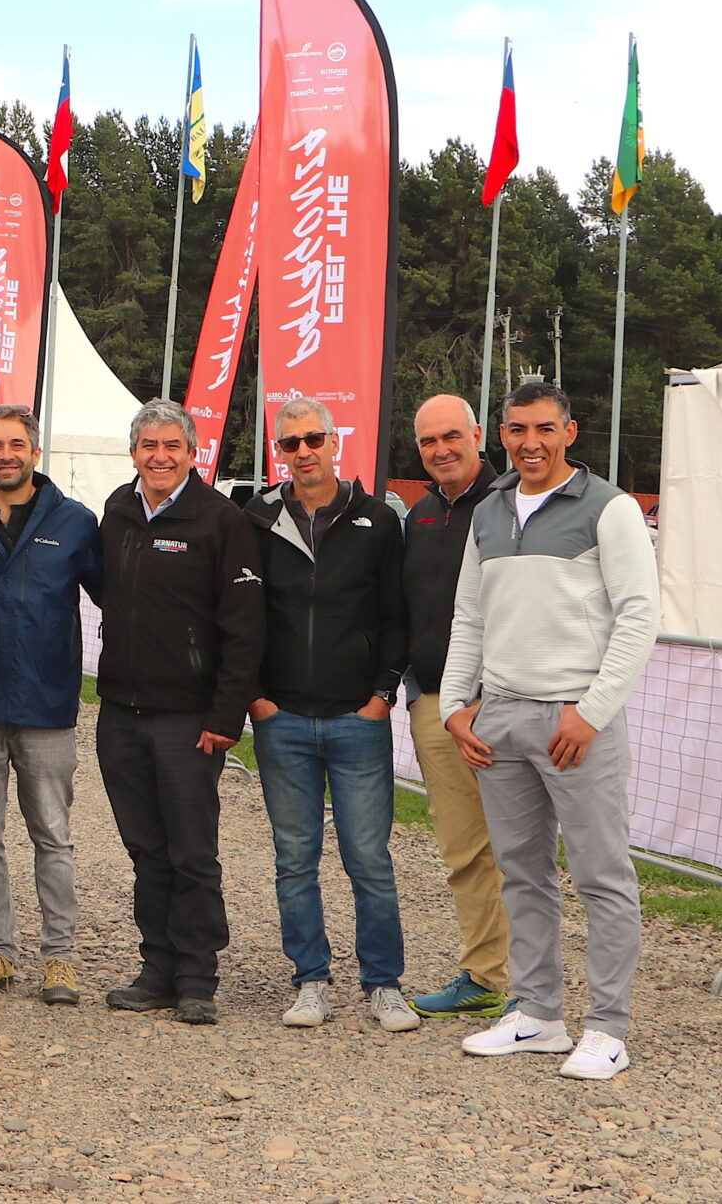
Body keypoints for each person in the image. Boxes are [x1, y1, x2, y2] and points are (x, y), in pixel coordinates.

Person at [443, 381, 657, 1082]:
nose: (528, 442)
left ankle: (608, 1028)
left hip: (576, 722)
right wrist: (455, 705)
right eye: (515, 429)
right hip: (500, 717)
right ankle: (536, 1013)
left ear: (571, 430)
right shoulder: (490, 512)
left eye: (543, 428)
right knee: (522, 874)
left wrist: (591, 712)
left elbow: (637, 616)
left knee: (601, 875)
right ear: (499, 435)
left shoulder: (611, 510)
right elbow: (470, 616)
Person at [241, 397, 416, 1033]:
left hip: (356, 718)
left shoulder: (375, 519)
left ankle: (384, 982)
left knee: (368, 858)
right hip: (281, 717)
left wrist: (381, 695)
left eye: (314, 439)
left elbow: (395, 616)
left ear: (336, 442)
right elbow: (239, 614)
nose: (303, 451)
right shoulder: (256, 517)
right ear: (278, 453)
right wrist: (255, 697)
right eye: (290, 444)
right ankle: (310, 979)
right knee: (295, 858)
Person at [94, 397, 264, 1024]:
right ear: (134, 453)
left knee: (191, 850)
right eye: (149, 446)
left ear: (194, 454)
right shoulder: (116, 512)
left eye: (173, 446)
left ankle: (197, 977)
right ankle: (157, 968)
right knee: (146, 849)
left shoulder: (221, 521)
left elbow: (245, 630)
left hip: (190, 719)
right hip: (120, 713)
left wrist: (225, 717)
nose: (160, 457)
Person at [0, 405, 102, 1007]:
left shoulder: (74, 522)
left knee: (53, 836)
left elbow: (121, 596)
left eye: (17, 444)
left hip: (46, 701)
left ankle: (59, 959)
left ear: (36, 452)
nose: (6, 454)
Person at [401, 394, 513, 1020]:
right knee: (465, 847)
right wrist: (422, 693)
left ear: (477, 435)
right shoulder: (418, 516)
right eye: (427, 442)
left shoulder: (511, 507)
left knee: (519, 845)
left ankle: (534, 984)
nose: (441, 450)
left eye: (451, 437)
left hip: (504, 701)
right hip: (439, 705)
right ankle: (484, 973)